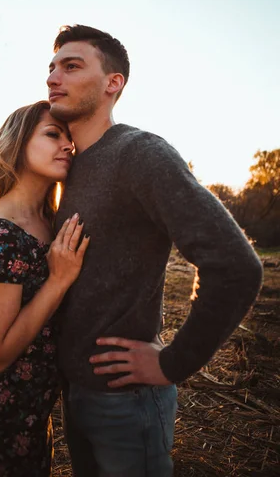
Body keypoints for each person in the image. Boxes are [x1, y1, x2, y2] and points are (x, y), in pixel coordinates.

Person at [46, 24, 263, 477]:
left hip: (126, 403)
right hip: (74, 393)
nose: (52, 77)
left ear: (113, 83)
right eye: (51, 67)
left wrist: (172, 362)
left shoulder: (140, 153)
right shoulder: (66, 169)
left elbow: (236, 265)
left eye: (71, 66)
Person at [0, 100, 90, 477]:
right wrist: (58, 281)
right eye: (52, 134)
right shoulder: (1, 235)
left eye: (69, 138)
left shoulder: (49, 219)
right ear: (17, 145)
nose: (67, 145)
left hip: (34, 418)